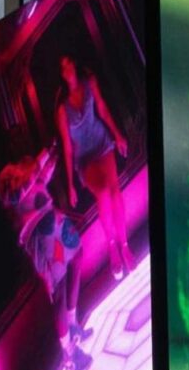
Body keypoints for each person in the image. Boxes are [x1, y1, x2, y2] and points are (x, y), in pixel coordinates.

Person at [0, 149, 92, 370]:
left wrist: (53, 158)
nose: (17, 170)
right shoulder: (13, 195)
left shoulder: (31, 182)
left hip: (56, 226)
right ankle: (70, 354)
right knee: (59, 291)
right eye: (13, 172)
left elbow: (41, 176)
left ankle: (73, 324)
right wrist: (44, 155)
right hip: (42, 237)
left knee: (77, 258)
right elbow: (32, 177)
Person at [56, 55, 134, 283]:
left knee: (115, 191)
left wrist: (118, 135)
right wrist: (70, 184)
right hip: (85, 157)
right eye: (63, 67)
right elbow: (67, 148)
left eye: (69, 63)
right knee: (102, 191)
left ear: (74, 64)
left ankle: (124, 244)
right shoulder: (62, 110)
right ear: (61, 75)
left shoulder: (89, 83)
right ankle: (112, 245)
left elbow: (103, 110)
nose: (68, 69)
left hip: (102, 142)